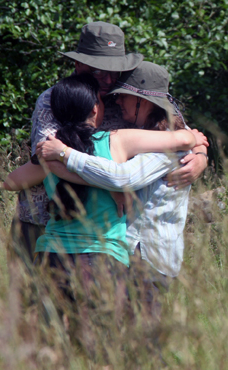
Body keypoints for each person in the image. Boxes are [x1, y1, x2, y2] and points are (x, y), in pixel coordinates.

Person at [12, 21, 207, 265]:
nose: (106, 78)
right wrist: (113, 186)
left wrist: (200, 156)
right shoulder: (54, 99)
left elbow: (176, 130)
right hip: (45, 222)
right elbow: (50, 159)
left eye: (113, 70)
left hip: (103, 235)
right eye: (97, 70)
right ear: (78, 64)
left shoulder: (126, 94)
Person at [35, 61, 209, 327]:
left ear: (145, 103)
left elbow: (122, 178)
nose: (119, 103)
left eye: (126, 97)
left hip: (149, 259)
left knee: (139, 342)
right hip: (128, 254)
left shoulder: (165, 148)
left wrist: (64, 154)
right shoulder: (152, 140)